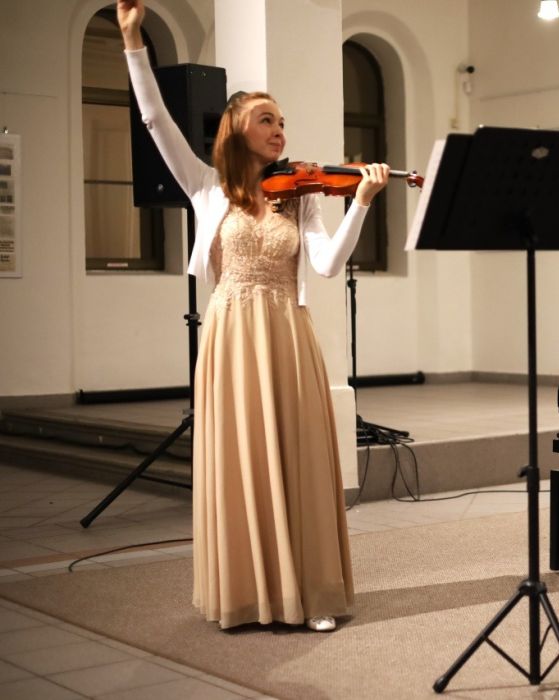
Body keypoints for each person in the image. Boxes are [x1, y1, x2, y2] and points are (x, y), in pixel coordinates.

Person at [117, 0, 389, 632]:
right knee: (242, 462)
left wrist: (361, 203)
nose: (279, 131)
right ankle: (251, 592)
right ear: (236, 131)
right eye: (267, 120)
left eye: (283, 121)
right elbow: (154, 119)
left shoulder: (301, 198)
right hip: (233, 332)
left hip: (288, 332)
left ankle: (310, 593)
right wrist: (133, 42)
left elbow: (328, 266)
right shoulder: (205, 188)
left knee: (297, 459)